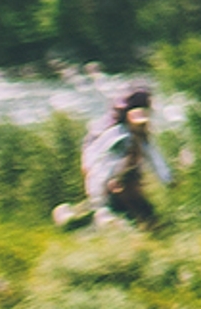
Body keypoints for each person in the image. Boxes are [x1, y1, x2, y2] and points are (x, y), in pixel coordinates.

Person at [59, 85, 167, 230]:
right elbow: (99, 163)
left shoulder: (142, 139)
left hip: (122, 185)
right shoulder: (119, 137)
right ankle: (86, 219)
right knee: (116, 215)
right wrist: (101, 190)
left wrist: (168, 179)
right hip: (111, 187)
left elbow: (155, 159)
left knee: (146, 217)